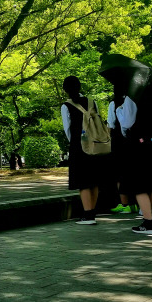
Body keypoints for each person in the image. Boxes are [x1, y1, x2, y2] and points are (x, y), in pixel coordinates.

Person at [115, 89, 152, 234]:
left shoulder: (132, 96)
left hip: (138, 144)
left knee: (139, 185)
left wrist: (119, 111)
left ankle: (148, 222)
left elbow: (127, 122)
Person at [60, 76, 99, 225]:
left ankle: (87, 215)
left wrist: (75, 143)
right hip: (95, 145)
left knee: (83, 182)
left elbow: (67, 129)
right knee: (94, 181)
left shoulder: (66, 106)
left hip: (78, 146)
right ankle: (92, 212)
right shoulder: (91, 102)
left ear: (66, 90)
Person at [107, 85, 138, 215]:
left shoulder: (113, 104)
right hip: (135, 141)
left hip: (119, 142)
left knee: (120, 174)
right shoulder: (135, 101)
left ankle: (124, 203)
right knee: (133, 172)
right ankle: (135, 203)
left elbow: (111, 124)